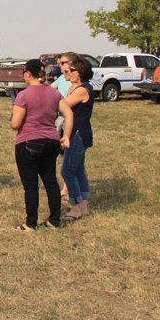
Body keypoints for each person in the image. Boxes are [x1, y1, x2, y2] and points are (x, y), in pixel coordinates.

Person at [9, 59, 74, 231]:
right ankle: (54, 220)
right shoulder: (53, 93)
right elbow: (68, 113)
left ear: (28, 73)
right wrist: (66, 136)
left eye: (23, 72)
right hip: (51, 142)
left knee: (31, 186)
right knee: (51, 182)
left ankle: (30, 223)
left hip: (28, 142)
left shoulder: (23, 95)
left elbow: (15, 124)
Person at [61, 56, 94, 220]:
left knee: (67, 171)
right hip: (81, 133)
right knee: (79, 170)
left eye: (71, 70)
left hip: (77, 134)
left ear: (80, 72)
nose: (68, 72)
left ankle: (75, 208)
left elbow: (63, 106)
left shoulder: (82, 90)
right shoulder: (79, 88)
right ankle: (83, 206)